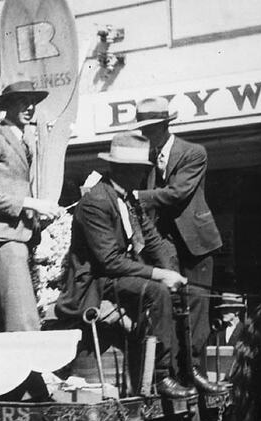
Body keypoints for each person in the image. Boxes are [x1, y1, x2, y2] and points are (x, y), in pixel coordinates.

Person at [55, 132, 197, 399]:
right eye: (137, 170)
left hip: (120, 274)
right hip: (97, 283)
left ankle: (187, 369)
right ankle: (160, 376)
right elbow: (108, 261)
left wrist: (173, 272)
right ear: (120, 169)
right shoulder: (96, 202)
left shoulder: (129, 199)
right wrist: (158, 274)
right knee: (157, 292)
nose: (142, 176)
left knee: (180, 292)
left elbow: (153, 241)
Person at [130, 96, 225, 393]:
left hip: (196, 243)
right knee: (169, 305)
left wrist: (133, 196)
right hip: (163, 244)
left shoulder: (193, 153)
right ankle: (170, 373)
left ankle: (194, 370)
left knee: (197, 307)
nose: (145, 135)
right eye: (143, 129)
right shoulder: (145, 158)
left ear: (163, 125)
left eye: (150, 128)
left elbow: (176, 193)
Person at [0, 80, 62, 332]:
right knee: (23, 319)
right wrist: (30, 203)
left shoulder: (23, 140)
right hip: (4, 238)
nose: (30, 107)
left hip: (20, 237)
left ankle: (24, 370)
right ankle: (35, 369)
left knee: (13, 314)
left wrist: (37, 215)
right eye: (22, 101)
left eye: (33, 102)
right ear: (7, 106)